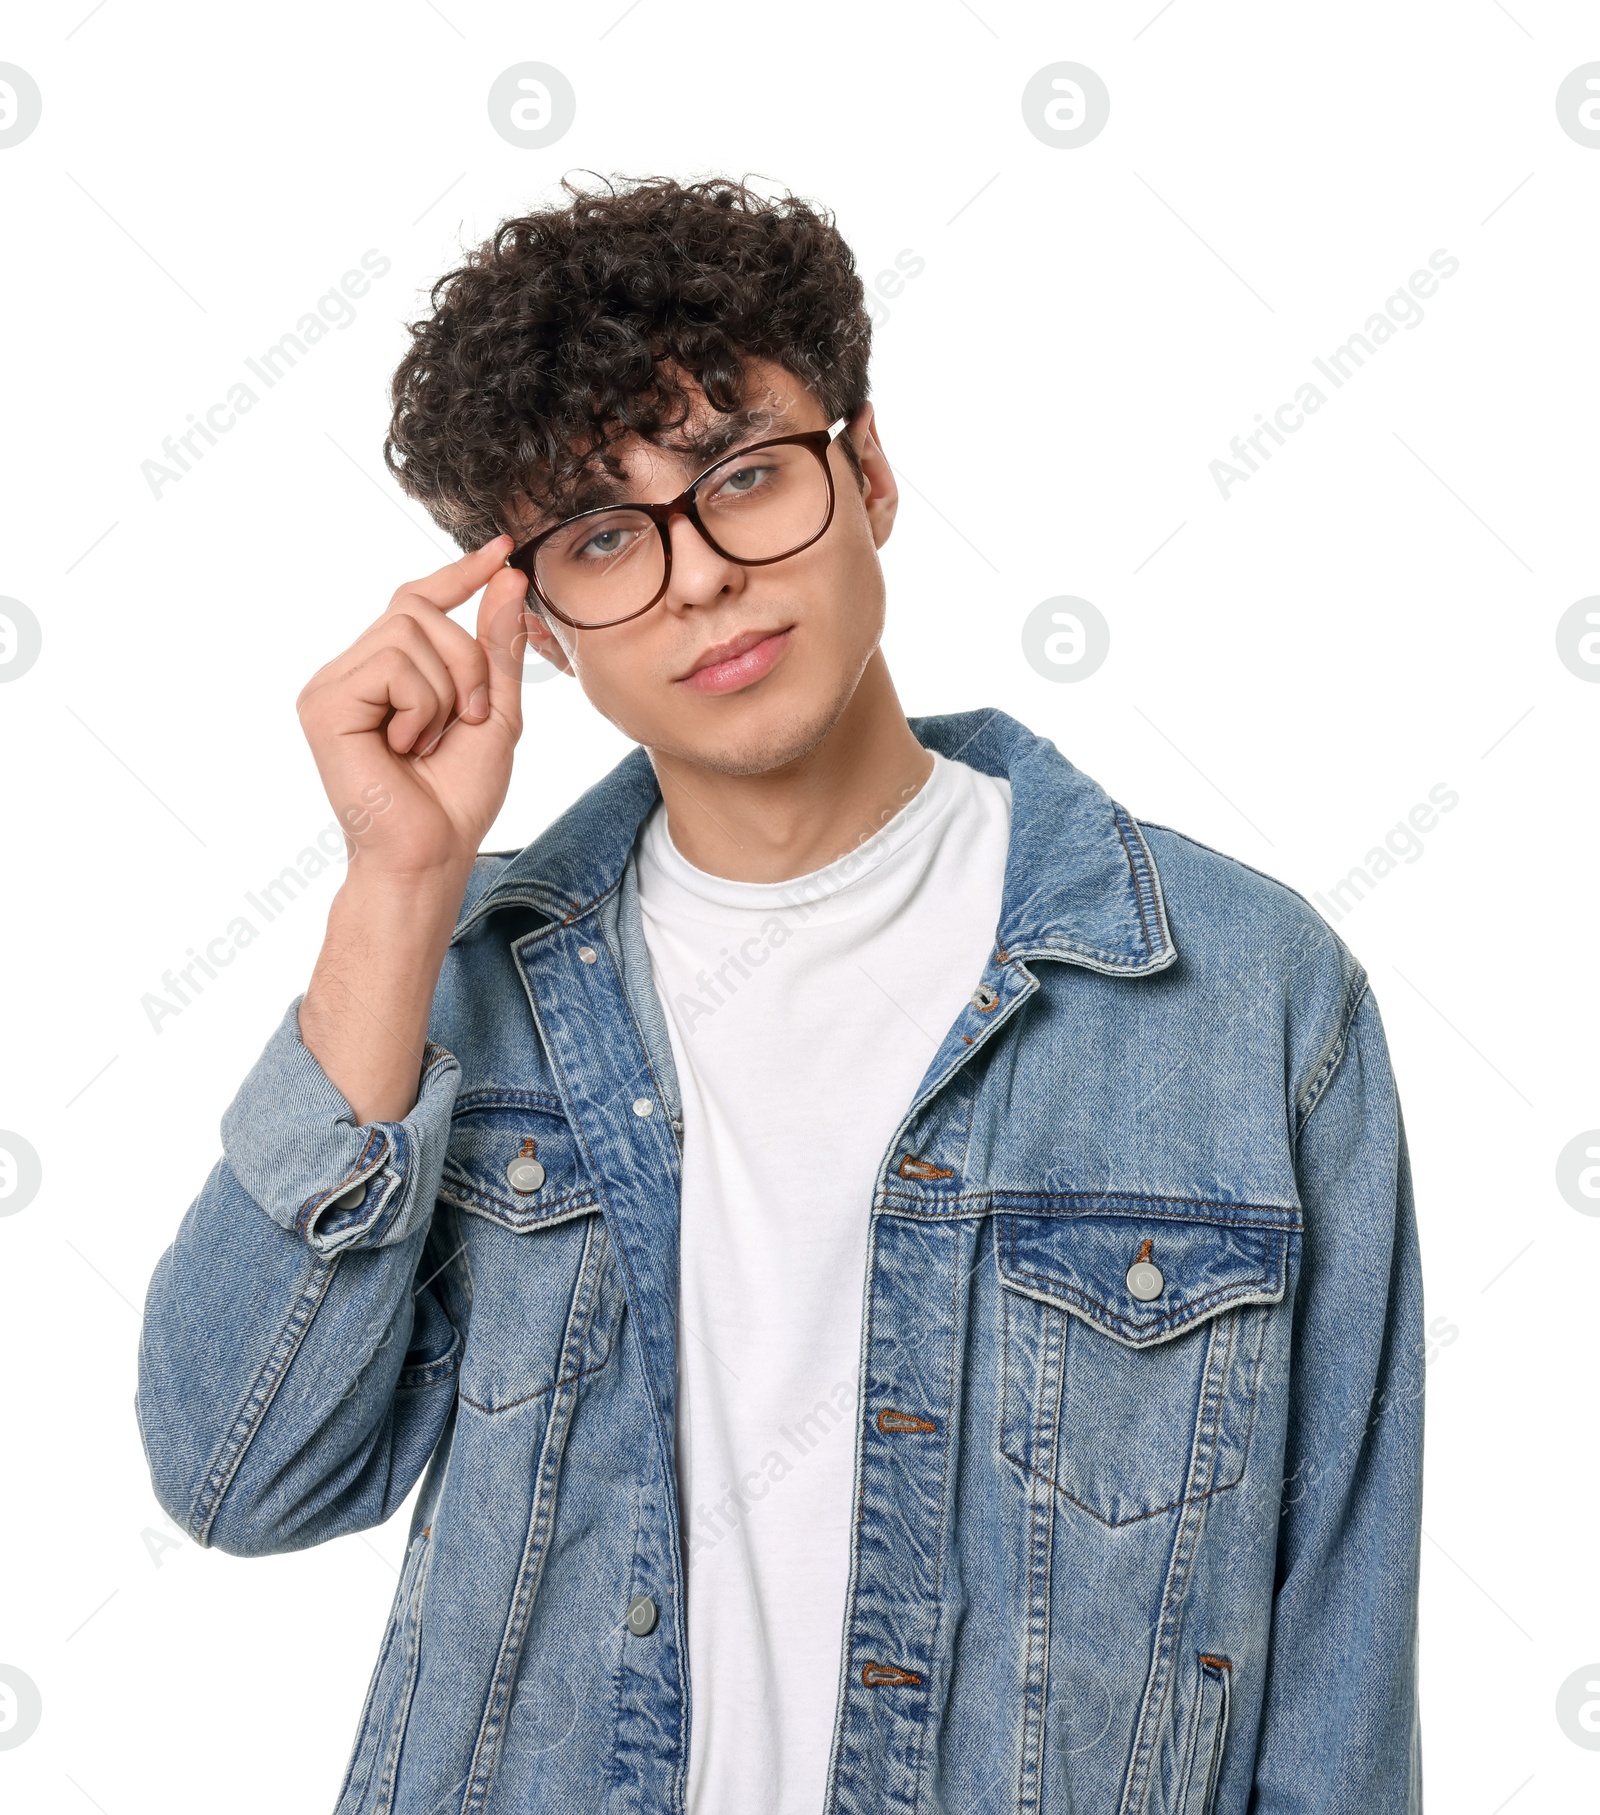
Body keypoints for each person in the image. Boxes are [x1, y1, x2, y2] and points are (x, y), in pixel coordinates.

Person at [135, 174, 1424, 1815]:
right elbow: (238, 1474)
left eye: (741, 479)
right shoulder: (467, 994)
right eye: (605, 535)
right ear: (532, 624)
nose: (696, 579)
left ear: (868, 472)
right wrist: (398, 888)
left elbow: (1339, 1659)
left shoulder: (1246, 996)